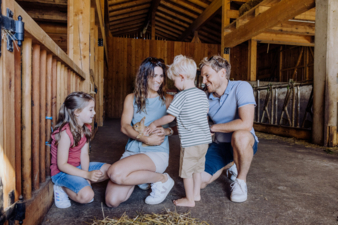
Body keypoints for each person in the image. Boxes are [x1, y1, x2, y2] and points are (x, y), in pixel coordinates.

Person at [105, 57, 175, 207]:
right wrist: (145, 139)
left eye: (161, 75)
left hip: (157, 152)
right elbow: (124, 126)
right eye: (154, 75)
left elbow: (184, 126)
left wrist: (167, 130)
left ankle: (162, 179)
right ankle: (145, 178)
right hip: (132, 151)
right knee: (112, 201)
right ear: (144, 76)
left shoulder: (169, 99)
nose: (158, 80)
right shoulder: (131, 98)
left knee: (115, 173)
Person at [147, 55, 212, 207]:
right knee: (197, 170)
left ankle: (189, 200)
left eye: (174, 80)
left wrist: (155, 123)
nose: (174, 84)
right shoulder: (202, 94)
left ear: (182, 77)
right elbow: (206, 111)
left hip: (190, 143)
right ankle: (196, 195)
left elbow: (170, 118)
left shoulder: (181, 96)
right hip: (204, 141)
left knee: (187, 173)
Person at [199, 55, 258, 203]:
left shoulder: (241, 87)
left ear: (222, 73)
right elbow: (199, 124)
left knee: (240, 136)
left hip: (243, 142)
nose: (204, 81)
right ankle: (232, 163)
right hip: (220, 145)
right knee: (199, 181)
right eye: (202, 77)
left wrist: (214, 127)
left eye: (207, 76)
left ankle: (241, 181)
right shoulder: (204, 97)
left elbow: (246, 123)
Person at [50, 92, 111, 208]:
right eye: (91, 110)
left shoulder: (86, 128)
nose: (94, 113)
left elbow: (84, 154)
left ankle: (80, 182)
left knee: (111, 171)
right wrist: (87, 175)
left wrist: (86, 174)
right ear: (77, 112)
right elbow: (62, 165)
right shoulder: (65, 133)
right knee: (88, 196)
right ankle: (61, 188)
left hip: (77, 167)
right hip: (62, 173)